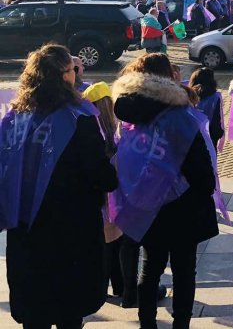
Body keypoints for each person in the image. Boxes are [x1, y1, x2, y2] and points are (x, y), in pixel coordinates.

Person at [1, 44, 117, 329]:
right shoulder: (79, 117)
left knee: (34, 313)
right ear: (64, 75)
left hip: (25, 226)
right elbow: (101, 175)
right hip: (70, 230)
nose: (76, 75)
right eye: (72, 71)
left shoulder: (15, 116)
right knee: (68, 312)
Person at [111, 52, 218, 329]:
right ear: (169, 77)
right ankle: (181, 323)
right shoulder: (180, 115)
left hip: (147, 204)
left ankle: (147, 323)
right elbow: (200, 167)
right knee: (184, 271)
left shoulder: (129, 112)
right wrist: (205, 190)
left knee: (150, 268)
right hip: (185, 205)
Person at [81, 82, 124, 301]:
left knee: (105, 246)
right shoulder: (117, 134)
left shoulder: (90, 133)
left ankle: (105, 286)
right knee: (115, 245)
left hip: (100, 201)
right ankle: (119, 285)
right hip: (116, 200)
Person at [189, 67, 225, 151]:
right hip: (209, 135)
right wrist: (219, 134)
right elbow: (217, 117)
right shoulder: (215, 96)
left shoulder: (188, 94)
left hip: (192, 135)